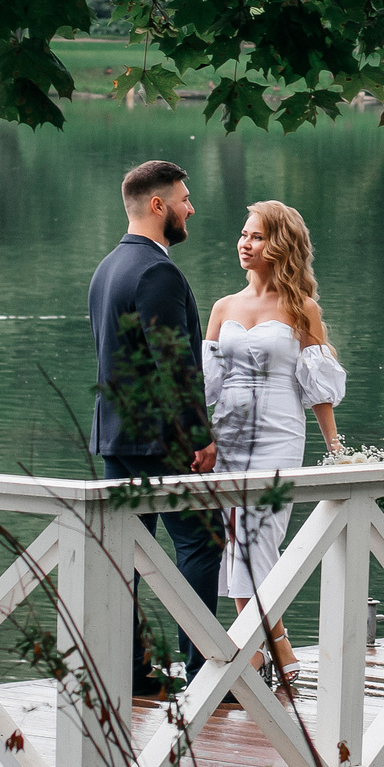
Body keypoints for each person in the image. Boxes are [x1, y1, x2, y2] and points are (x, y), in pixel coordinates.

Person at [88, 160, 223, 698]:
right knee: (201, 544)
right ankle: (205, 670)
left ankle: (132, 672)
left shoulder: (107, 269)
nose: (192, 208)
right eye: (185, 199)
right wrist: (199, 437)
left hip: (116, 438)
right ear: (159, 205)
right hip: (160, 442)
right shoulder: (157, 272)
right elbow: (176, 365)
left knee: (128, 558)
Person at [203, 200, 347, 697]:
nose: (245, 244)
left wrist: (336, 448)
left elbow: (319, 387)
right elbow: (209, 384)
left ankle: (268, 647)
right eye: (243, 235)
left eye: (257, 236)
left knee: (257, 539)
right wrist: (199, 439)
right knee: (238, 541)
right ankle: (271, 648)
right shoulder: (223, 307)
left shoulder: (300, 308)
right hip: (231, 437)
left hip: (280, 434)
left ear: (280, 244)